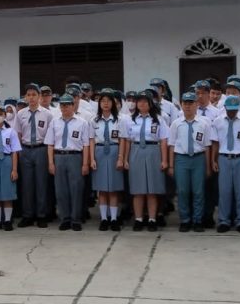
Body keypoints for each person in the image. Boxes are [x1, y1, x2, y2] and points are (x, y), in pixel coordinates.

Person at [167, 92, 212, 233]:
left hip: (198, 158)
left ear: (196, 105)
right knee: (182, 191)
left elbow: (207, 146)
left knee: (198, 191)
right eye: (185, 103)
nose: (188, 106)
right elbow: (172, 145)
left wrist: (208, 166)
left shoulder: (204, 123)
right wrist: (171, 165)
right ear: (181, 104)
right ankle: (185, 220)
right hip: (181, 159)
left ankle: (198, 220)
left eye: (191, 103)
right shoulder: (176, 123)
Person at [45, 94, 91, 231]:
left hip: (75, 156)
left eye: (67, 105)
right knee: (61, 190)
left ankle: (76, 218)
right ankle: (65, 218)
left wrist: (85, 163)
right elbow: (50, 144)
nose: (64, 108)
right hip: (59, 156)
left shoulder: (82, 122)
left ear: (73, 105)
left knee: (76, 189)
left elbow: (86, 145)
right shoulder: (54, 122)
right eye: (62, 105)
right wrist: (51, 163)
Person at [211, 95, 240, 233]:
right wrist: (213, 160)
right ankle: (224, 220)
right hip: (224, 157)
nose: (232, 112)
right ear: (224, 108)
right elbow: (215, 142)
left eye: (234, 110)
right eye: (229, 110)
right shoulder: (218, 122)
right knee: (224, 191)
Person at [124, 90, 167, 232]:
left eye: (145, 101)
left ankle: (152, 219)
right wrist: (125, 159)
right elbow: (127, 141)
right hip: (136, 151)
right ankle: (138, 219)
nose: (142, 104)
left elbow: (164, 140)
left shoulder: (158, 119)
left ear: (150, 103)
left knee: (152, 189)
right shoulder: (130, 119)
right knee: (138, 189)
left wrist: (164, 160)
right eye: (139, 101)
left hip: (153, 151)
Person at [15, 83, 54, 228]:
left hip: (41, 149)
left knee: (41, 183)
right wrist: (19, 153)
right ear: (25, 97)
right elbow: (18, 134)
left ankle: (42, 215)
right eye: (29, 95)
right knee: (27, 184)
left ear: (39, 97)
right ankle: (28, 215)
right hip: (25, 149)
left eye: (34, 95)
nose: (31, 98)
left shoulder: (47, 114)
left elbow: (50, 137)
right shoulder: (21, 114)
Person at [90, 90, 125, 231]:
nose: (105, 104)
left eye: (108, 101)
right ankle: (104, 218)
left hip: (114, 151)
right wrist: (91, 159)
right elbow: (91, 141)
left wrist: (121, 158)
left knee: (114, 189)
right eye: (103, 101)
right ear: (99, 103)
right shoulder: (94, 120)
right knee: (102, 189)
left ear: (113, 103)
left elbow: (122, 140)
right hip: (99, 153)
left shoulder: (119, 120)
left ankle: (114, 218)